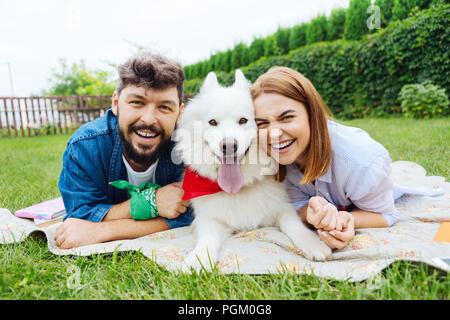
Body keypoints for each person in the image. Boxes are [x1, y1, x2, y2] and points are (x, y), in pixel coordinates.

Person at [251, 66, 403, 250]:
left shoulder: (362, 162)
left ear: (311, 113)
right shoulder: (266, 156)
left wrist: (345, 219)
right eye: (262, 123)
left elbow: (386, 214)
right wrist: (314, 215)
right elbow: (296, 203)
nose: (273, 134)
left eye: (287, 118)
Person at [55, 52, 193, 249]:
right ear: (116, 103)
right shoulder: (84, 146)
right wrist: (151, 202)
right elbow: (80, 218)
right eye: (137, 102)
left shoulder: (192, 147)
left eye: (164, 107)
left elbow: (193, 215)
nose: (148, 119)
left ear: (179, 113)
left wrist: (103, 230)